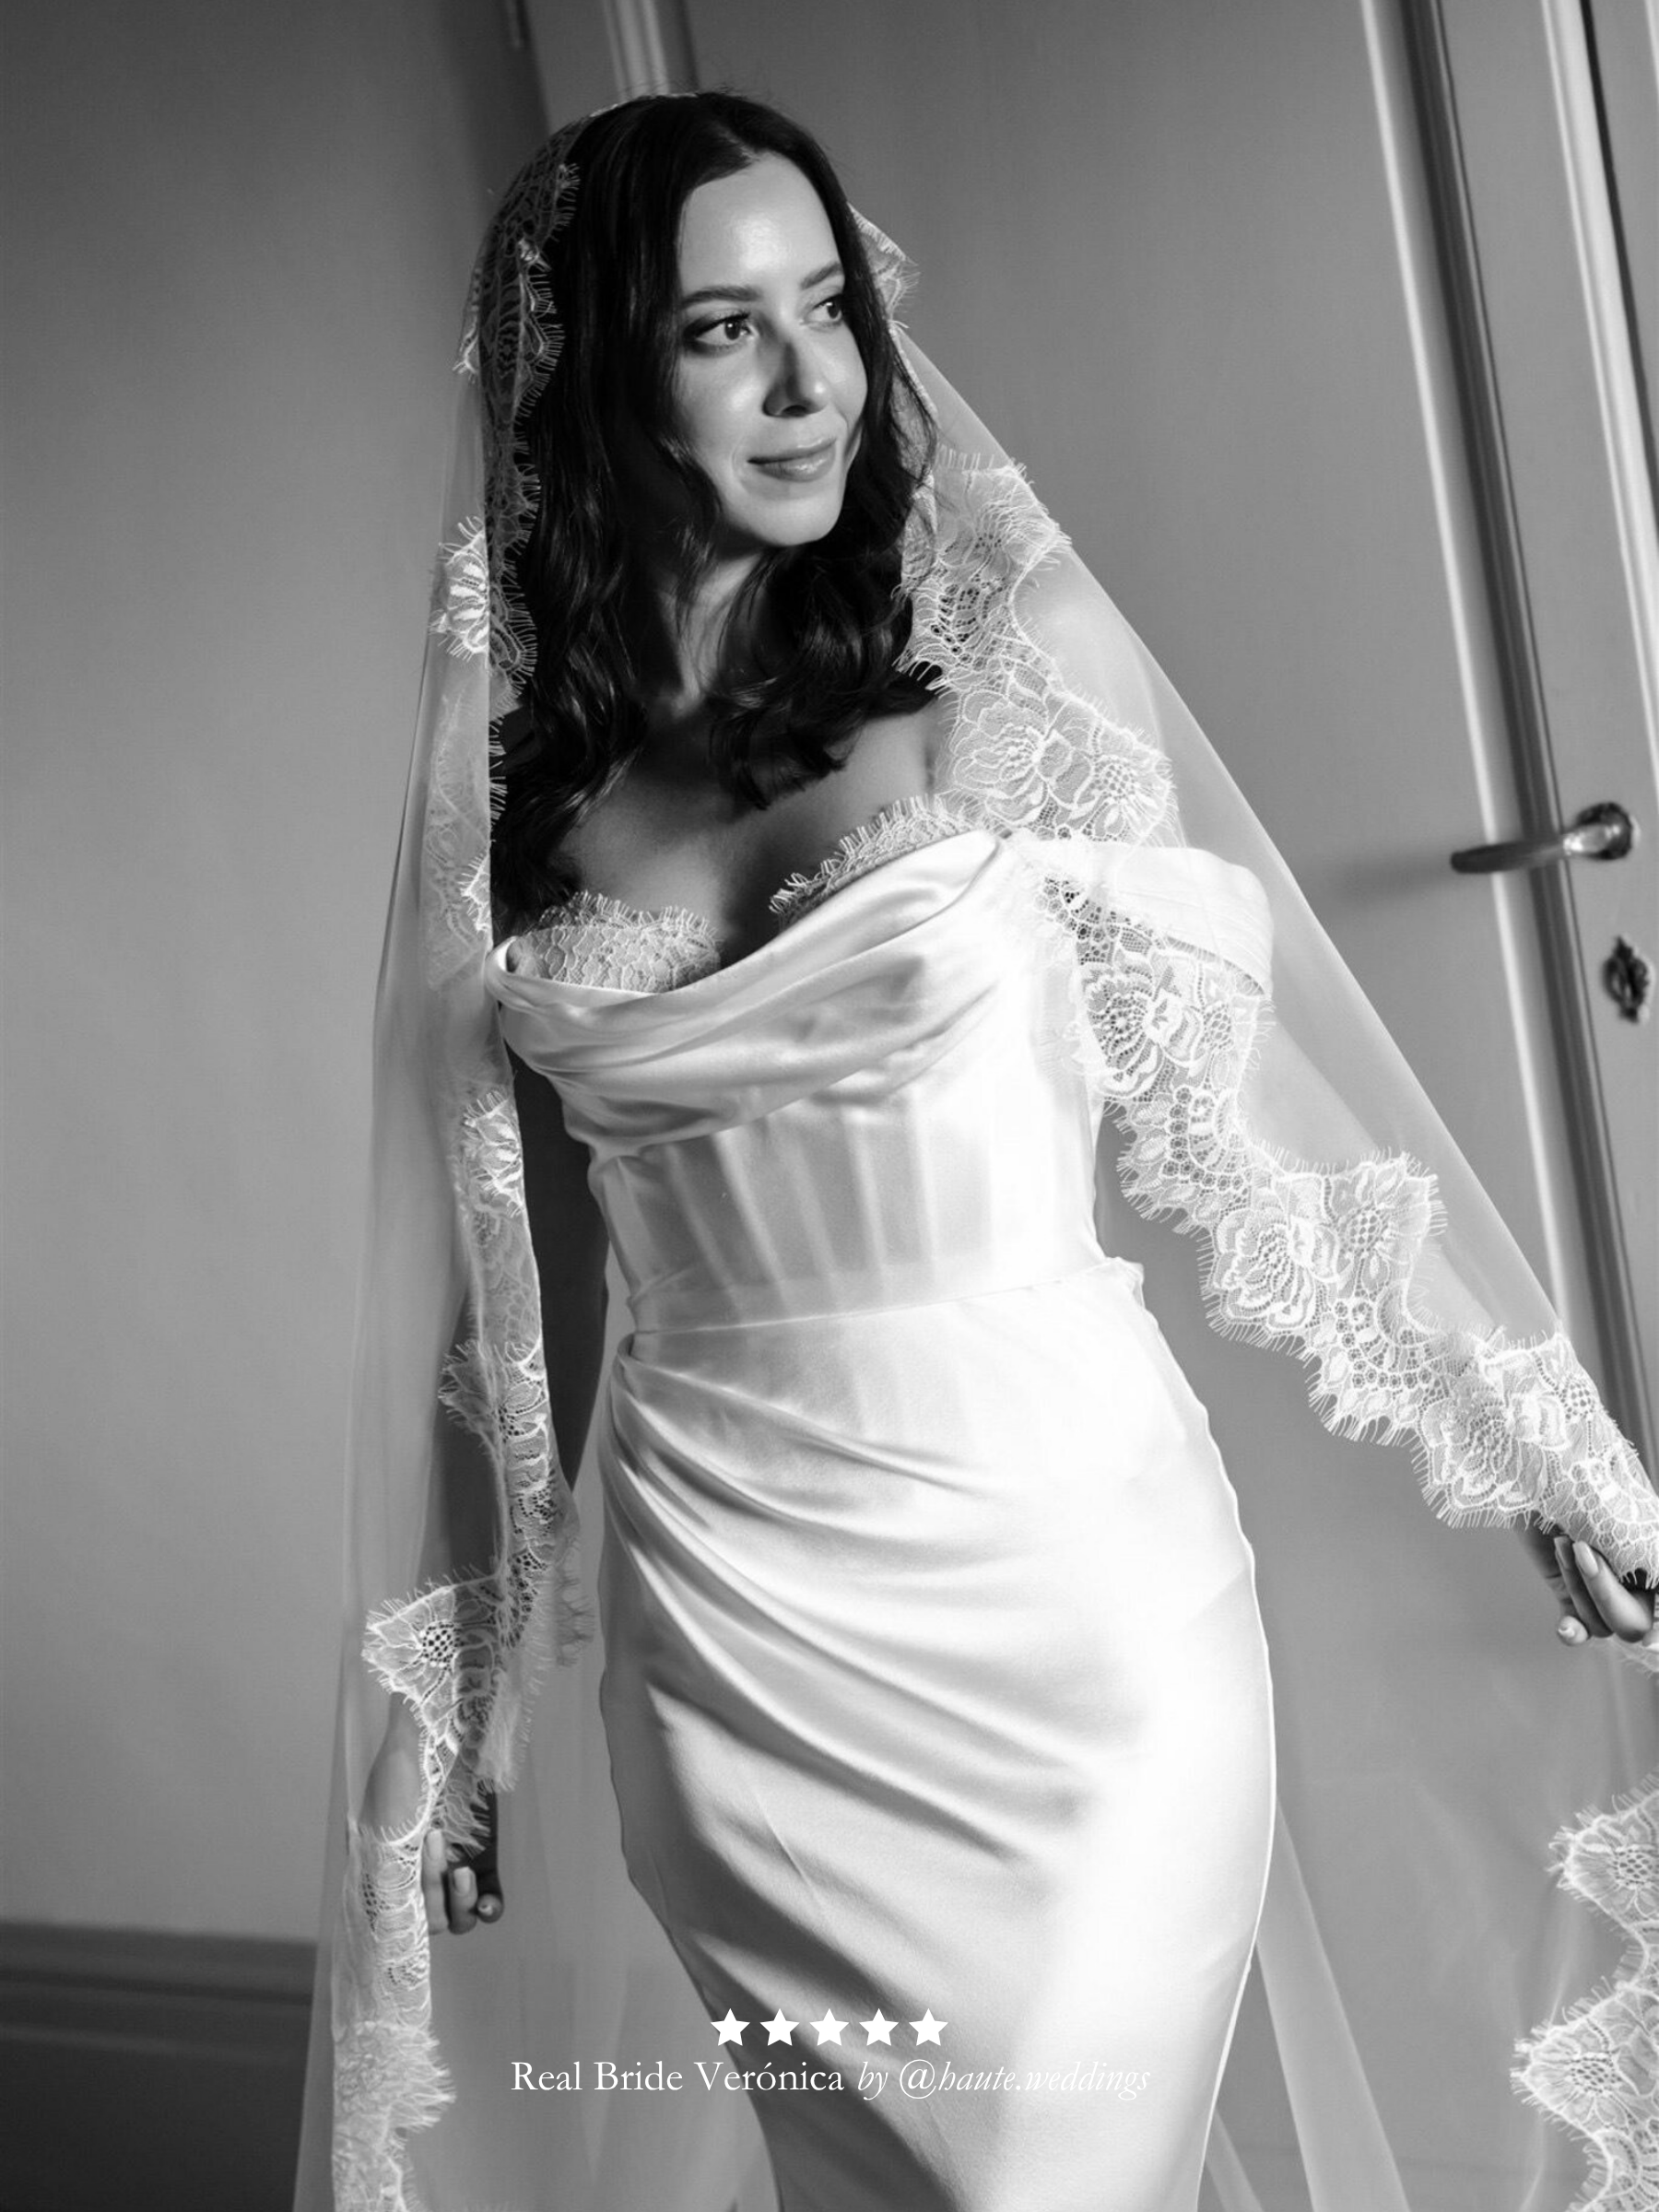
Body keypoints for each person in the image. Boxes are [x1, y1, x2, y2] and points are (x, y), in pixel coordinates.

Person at [293, 92, 1659, 2212]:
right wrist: (452, 1711)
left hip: (1087, 1618)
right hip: (728, 1652)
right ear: (597, 381)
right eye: (722, 328)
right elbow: (515, 1309)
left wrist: (1526, 1438)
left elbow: (1253, 1097)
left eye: (827, 306)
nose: (812, 377)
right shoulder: (517, 811)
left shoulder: (1015, 681)